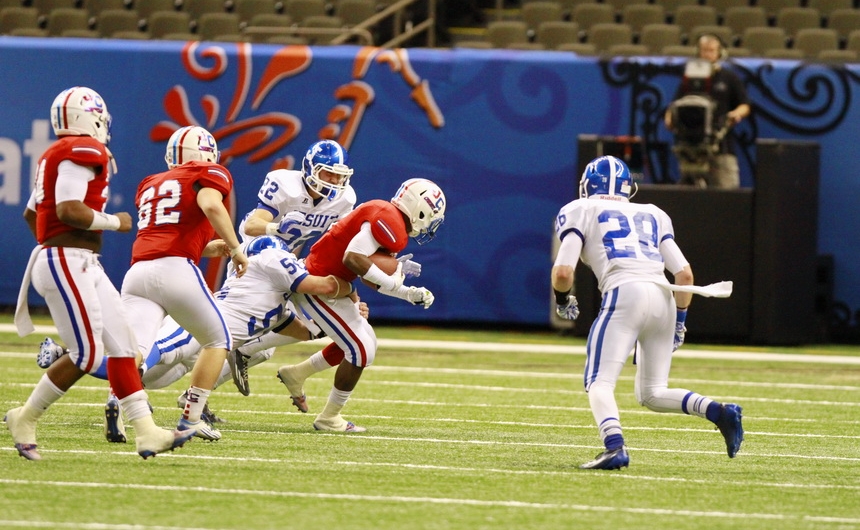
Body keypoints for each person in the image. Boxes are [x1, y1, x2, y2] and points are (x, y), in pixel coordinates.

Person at [5, 86, 194, 460]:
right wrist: (114, 222)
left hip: (77, 260)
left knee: (124, 344)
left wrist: (54, 243)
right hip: (67, 261)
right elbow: (68, 210)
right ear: (87, 117)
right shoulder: (83, 149)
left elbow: (33, 214)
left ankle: (146, 432)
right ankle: (25, 417)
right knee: (88, 354)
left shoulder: (54, 154)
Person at [37, 234, 361, 441]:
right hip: (201, 329)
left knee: (153, 379)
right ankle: (89, 371)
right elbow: (317, 286)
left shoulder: (272, 301)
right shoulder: (275, 258)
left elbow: (302, 331)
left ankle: (67, 357)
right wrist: (349, 291)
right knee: (155, 352)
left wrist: (335, 322)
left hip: (205, 349)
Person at [551, 155, 744, 470]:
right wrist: (680, 321)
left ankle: (614, 447)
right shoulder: (653, 213)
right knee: (653, 393)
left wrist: (562, 300)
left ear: (587, 186)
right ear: (630, 187)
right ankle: (720, 413)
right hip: (663, 295)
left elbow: (562, 272)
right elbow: (684, 275)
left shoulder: (580, 209)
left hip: (625, 293)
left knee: (598, 382)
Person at [277, 178, 446, 432]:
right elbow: (353, 257)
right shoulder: (387, 218)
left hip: (333, 283)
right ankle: (329, 418)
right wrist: (392, 282)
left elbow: (369, 276)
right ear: (420, 208)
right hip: (317, 283)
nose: (429, 224)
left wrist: (409, 293)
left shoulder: (391, 219)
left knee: (366, 342)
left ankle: (296, 373)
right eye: (431, 215)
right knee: (360, 348)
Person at [120, 125, 249, 441]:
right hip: (175, 270)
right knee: (218, 339)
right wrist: (234, 247)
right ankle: (191, 417)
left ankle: (118, 402)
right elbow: (210, 204)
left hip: (137, 273)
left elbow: (165, 233)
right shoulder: (208, 173)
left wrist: (210, 247)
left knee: (134, 350)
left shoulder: (151, 183)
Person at [222, 139, 358, 396]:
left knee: (267, 347)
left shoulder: (344, 200)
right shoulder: (286, 184)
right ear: (310, 168)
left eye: (339, 175)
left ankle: (195, 396)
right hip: (257, 260)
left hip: (287, 264)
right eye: (328, 172)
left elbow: (336, 245)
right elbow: (251, 225)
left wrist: (352, 292)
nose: (333, 180)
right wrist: (276, 227)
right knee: (224, 336)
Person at [664, 33, 751, 189]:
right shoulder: (688, 79)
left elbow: (745, 105)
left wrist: (736, 114)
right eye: (704, 50)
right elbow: (674, 104)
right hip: (690, 148)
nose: (707, 54)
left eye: (711, 50)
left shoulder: (729, 78)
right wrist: (669, 118)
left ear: (720, 53)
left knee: (726, 191)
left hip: (721, 145)